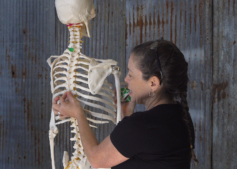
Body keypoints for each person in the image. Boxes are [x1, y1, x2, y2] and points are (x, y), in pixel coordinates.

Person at [52, 38, 198, 168]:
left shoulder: (141, 125)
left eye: (131, 75)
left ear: (153, 83)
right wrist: (127, 114)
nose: (126, 79)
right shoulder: (181, 117)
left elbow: (96, 160)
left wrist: (78, 114)